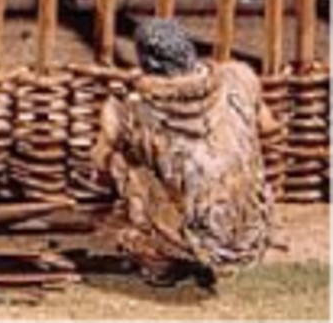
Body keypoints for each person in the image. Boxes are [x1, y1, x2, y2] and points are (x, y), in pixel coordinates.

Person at [94, 17, 274, 284]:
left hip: (199, 238)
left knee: (122, 162)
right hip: (252, 236)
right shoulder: (239, 77)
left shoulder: (129, 108)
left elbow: (98, 165)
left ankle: (160, 255)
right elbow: (269, 128)